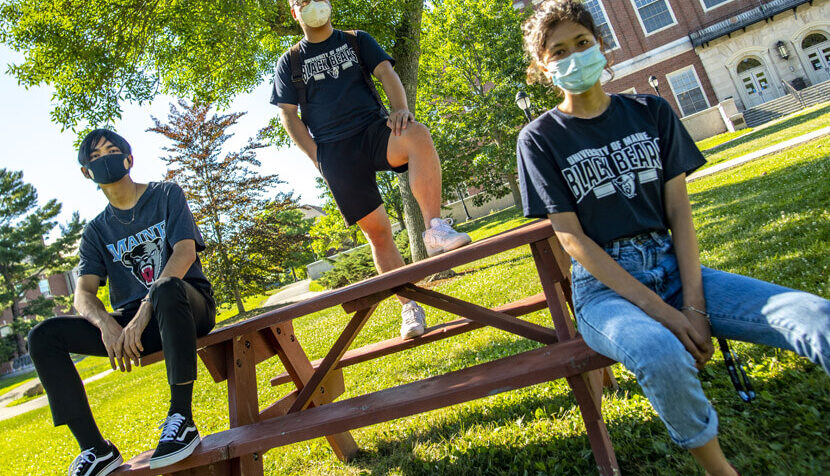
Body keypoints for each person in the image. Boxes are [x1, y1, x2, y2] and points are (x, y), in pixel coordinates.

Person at [516, 2, 830, 475]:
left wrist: (694, 308)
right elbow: (573, 240)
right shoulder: (539, 138)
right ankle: (718, 469)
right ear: (543, 67)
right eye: (559, 51)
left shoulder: (651, 111)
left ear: (601, 45)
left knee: (814, 316)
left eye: (582, 43)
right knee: (660, 351)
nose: (575, 56)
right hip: (605, 292)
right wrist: (664, 315)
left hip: (671, 265)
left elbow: (679, 213)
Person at [271, 0, 472, 340]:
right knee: (378, 234)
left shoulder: (356, 40)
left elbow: (387, 74)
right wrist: (317, 157)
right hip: (335, 151)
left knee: (418, 134)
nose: (310, 5)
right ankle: (409, 307)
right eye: (300, 2)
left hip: (375, 131)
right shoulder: (289, 61)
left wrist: (401, 109)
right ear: (294, 12)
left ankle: (435, 228)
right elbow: (289, 116)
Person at [28, 129, 216, 475]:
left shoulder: (165, 194)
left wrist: (146, 309)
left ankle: (182, 419)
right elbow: (83, 294)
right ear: (86, 172)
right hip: (133, 327)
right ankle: (95, 449)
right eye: (96, 157)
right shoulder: (96, 231)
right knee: (43, 336)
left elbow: (185, 252)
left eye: (113, 151)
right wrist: (106, 324)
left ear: (129, 159)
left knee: (163, 289)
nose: (107, 159)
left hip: (187, 306)